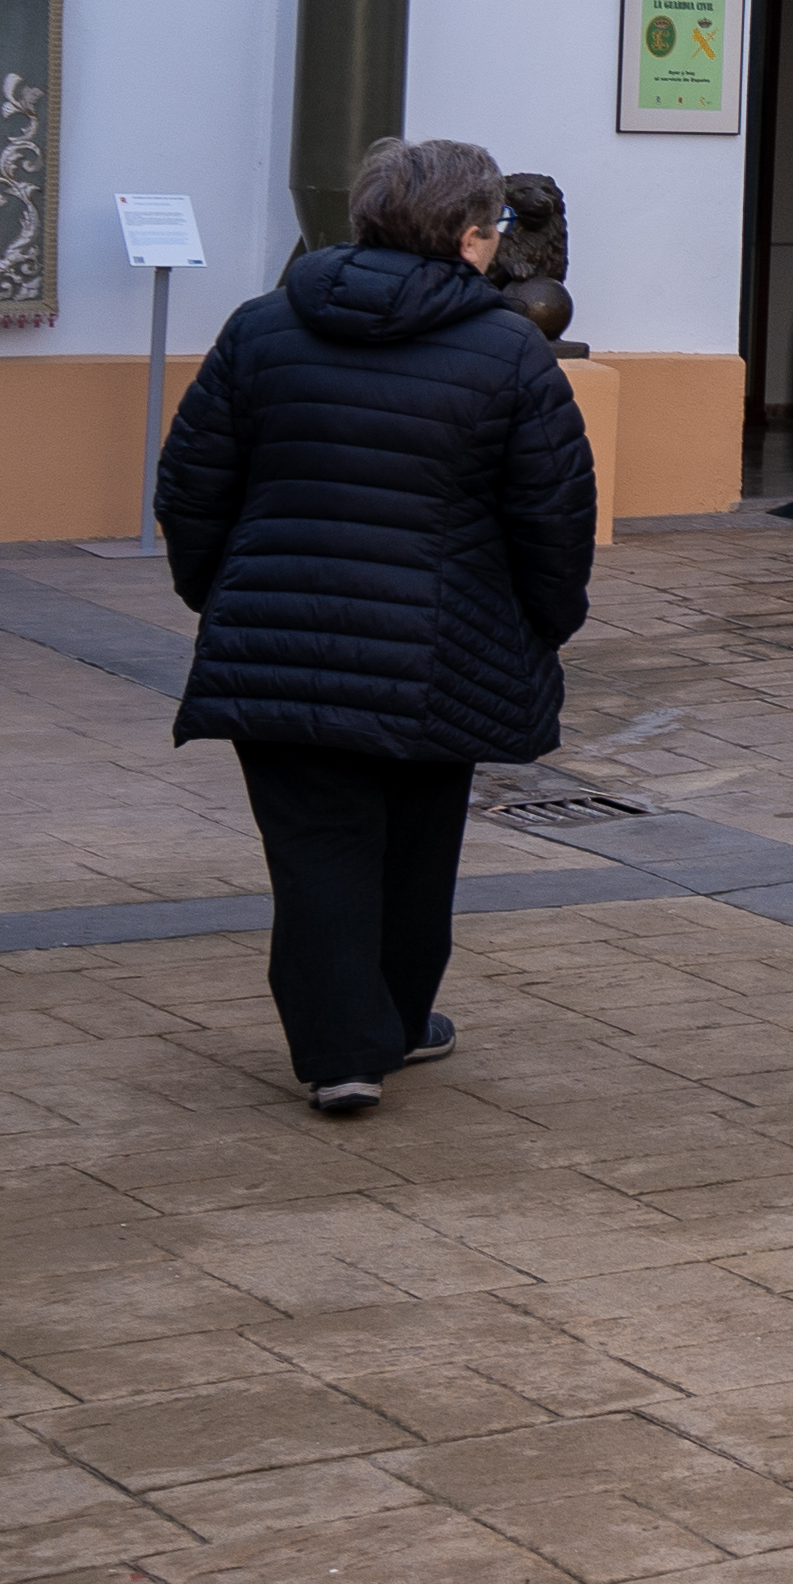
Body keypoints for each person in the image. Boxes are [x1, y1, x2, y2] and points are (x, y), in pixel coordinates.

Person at [158, 136, 594, 1115]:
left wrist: (218, 595)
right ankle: (390, 1021)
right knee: (416, 844)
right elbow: (553, 516)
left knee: (318, 849)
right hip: (444, 650)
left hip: (278, 642)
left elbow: (191, 487)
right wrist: (544, 625)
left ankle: (343, 1051)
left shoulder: (262, 327)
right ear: (472, 239)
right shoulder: (507, 352)